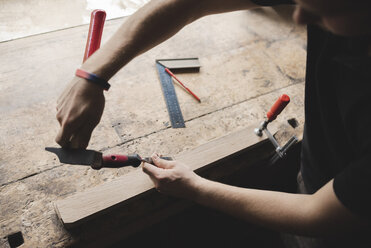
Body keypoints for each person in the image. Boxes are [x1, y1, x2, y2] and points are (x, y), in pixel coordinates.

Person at [55, 0, 371, 247]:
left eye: (323, 9)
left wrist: (196, 188)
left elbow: (317, 214)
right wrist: (94, 74)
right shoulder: (346, 9)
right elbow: (190, 2)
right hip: (320, 175)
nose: (299, 17)